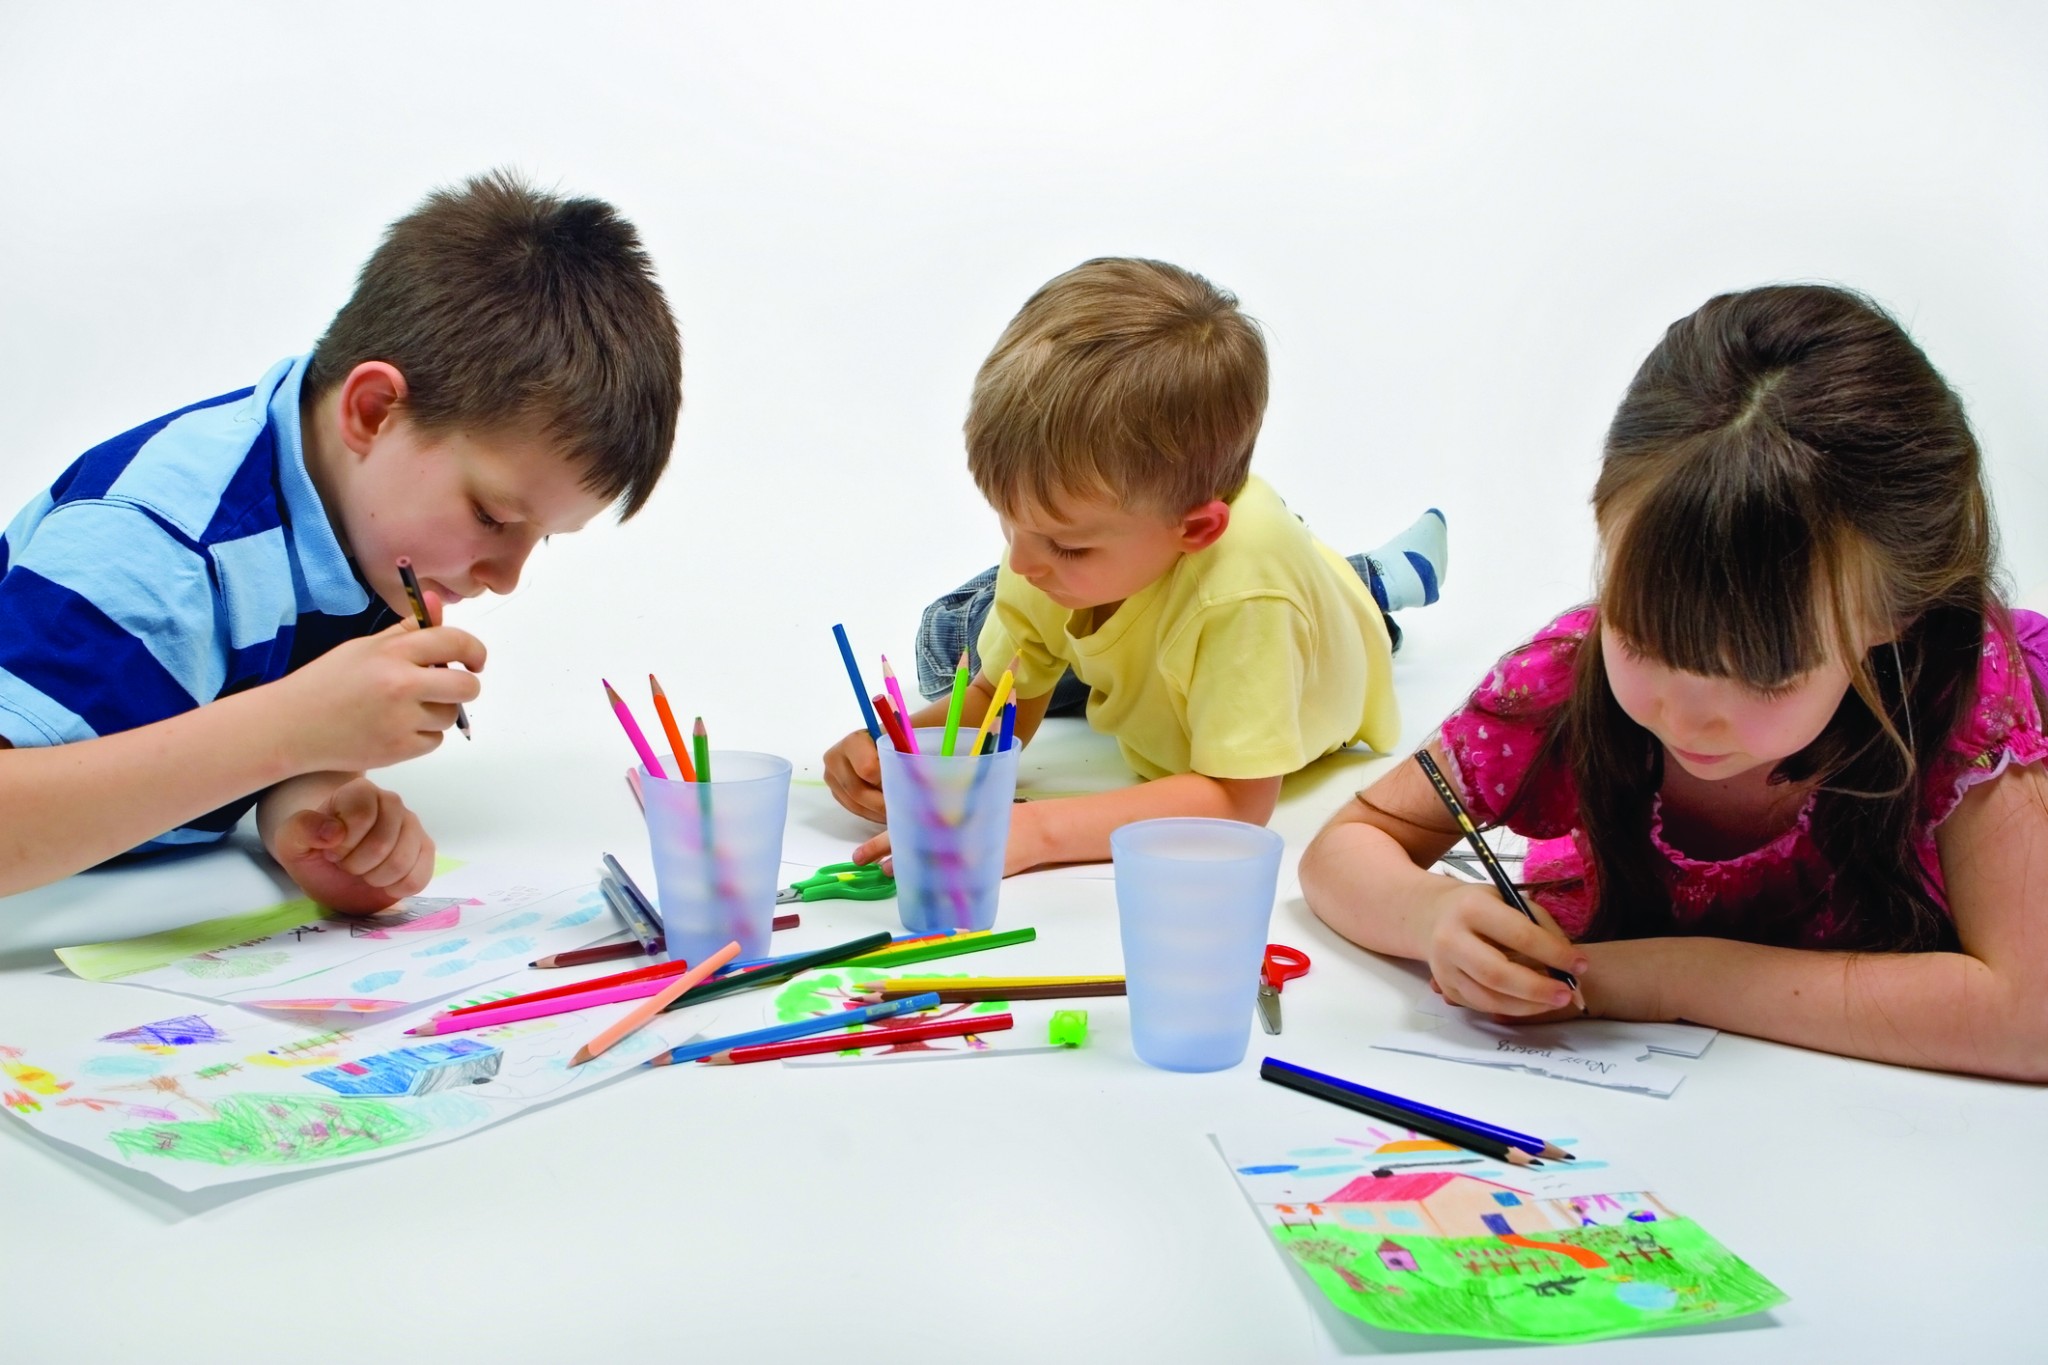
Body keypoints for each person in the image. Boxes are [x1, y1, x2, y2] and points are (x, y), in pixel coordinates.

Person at [1299, 284, 2048, 1082]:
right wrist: (1432, 914)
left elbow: (2029, 1020)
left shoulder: (1960, 692)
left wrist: (1664, 979)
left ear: (1895, 617)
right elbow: (1343, 848)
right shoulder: (1564, 679)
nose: (1688, 717)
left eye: (1765, 674)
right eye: (1644, 638)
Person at [0, 171, 682, 911]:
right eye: (492, 516)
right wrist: (290, 730)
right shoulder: (161, 548)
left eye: (541, 539)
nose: (506, 576)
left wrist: (314, 806)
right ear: (374, 410)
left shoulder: (369, 520)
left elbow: (233, 710)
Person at [823, 257, 1444, 872]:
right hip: (1167, 610)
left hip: (1302, 627)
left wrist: (1036, 831)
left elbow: (1237, 800)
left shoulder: (1249, 599)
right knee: (963, 646)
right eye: (1009, 522)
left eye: (1066, 545)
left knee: (947, 638)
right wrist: (897, 756)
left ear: (1193, 530)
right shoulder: (1054, 549)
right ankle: (1362, 574)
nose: (1022, 562)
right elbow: (999, 701)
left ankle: (1376, 582)